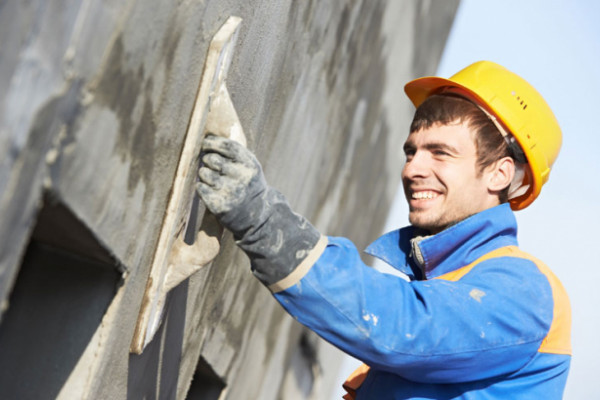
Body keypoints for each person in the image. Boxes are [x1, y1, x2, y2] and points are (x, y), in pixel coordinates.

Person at [196, 61, 571, 399]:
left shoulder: (526, 290)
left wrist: (263, 222)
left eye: (440, 153)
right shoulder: (444, 287)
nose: (412, 170)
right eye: (412, 152)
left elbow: (402, 329)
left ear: (499, 173)